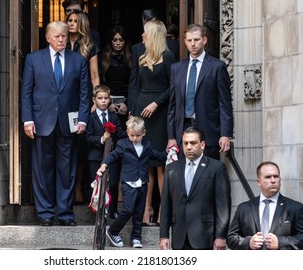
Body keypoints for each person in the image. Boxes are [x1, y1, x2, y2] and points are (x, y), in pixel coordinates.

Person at [21, 21, 89, 226]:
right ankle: (45, 214)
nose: (62, 39)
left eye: (65, 36)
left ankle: (65, 214)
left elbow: (85, 93)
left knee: (67, 170)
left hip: (68, 123)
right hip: (42, 122)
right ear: (48, 38)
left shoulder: (78, 61)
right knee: (42, 170)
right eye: (57, 36)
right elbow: (27, 92)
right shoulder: (34, 59)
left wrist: (83, 119)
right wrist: (28, 120)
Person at [130, 19, 176, 226]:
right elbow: (136, 86)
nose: (142, 36)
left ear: (153, 35)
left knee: (161, 165)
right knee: (145, 163)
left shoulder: (168, 57)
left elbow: (173, 87)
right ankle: (146, 209)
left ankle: (162, 212)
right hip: (142, 111)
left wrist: (156, 103)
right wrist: (133, 114)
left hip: (159, 112)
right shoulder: (141, 57)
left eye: (145, 33)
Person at [97, 116, 168, 248]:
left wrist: (169, 153)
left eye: (138, 135)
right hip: (128, 182)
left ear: (144, 133)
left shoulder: (147, 145)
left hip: (142, 182)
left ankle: (136, 237)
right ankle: (112, 231)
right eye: (132, 135)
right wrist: (104, 165)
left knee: (139, 211)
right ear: (127, 132)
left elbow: (158, 156)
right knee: (128, 209)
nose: (135, 138)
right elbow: (113, 155)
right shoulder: (122, 144)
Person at [167, 23, 233, 160]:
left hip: (208, 130)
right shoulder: (176, 68)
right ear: (185, 41)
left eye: (196, 40)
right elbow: (173, 105)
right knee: (184, 175)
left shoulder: (217, 67)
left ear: (204, 40)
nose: (193, 44)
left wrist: (225, 134)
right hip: (183, 129)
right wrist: (171, 136)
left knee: (207, 174)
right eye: (189, 40)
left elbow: (224, 103)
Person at [159, 127, 231, 250]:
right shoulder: (172, 169)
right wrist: (164, 235)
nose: (188, 147)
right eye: (185, 143)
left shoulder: (216, 168)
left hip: (205, 237)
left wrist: (221, 236)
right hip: (179, 237)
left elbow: (222, 205)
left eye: (193, 143)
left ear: (202, 145)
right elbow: (166, 204)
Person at [227, 161, 303, 250]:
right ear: (258, 182)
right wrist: (248, 242)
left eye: (276, 176)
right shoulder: (244, 208)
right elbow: (230, 238)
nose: (273, 180)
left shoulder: (295, 208)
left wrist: (281, 243)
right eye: (268, 177)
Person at [65, 9, 100, 204]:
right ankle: (67, 191)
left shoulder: (88, 45)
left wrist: (96, 100)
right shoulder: (60, 42)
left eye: (75, 21)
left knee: (80, 146)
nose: (71, 23)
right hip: (63, 100)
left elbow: (94, 75)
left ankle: (79, 188)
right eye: (69, 20)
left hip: (83, 99)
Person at [85, 85, 126, 219]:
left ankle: (113, 209)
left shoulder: (113, 117)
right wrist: (102, 139)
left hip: (112, 156)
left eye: (106, 98)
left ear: (110, 100)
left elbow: (119, 133)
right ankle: (96, 212)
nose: (103, 101)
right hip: (95, 156)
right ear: (94, 100)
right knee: (96, 184)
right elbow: (88, 137)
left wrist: (129, 130)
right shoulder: (90, 117)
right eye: (100, 98)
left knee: (113, 183)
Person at [101, 24, 133, 129]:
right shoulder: (104, 58)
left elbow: (134, 83)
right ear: (110, 41)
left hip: (126, 101)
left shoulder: (131, 58)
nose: (118, 43)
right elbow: (102, 83)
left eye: (121, 40)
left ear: (125, 41)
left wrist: (127, 104)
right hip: (108, 102)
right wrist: (108, 103)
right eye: (114, 40)